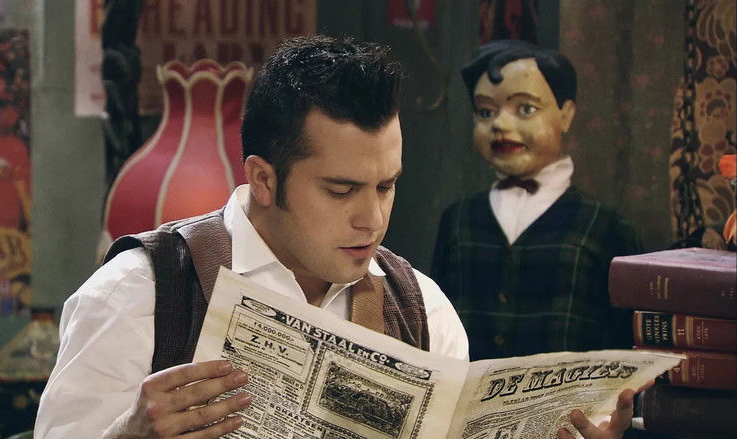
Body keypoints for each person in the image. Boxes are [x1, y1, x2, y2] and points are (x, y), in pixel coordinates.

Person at [36, 36, 634, 439]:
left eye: (387, 187)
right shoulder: (138, 295)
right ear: (263, 179)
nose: (371, 219)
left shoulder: (422, 312)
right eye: (342, 190)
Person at [432, 40, 642, 362]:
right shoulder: (457, 220)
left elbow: (625, 340)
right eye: (486, 112)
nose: (500, 125)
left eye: (525, 109)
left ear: (566, 115)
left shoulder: (606, 228)